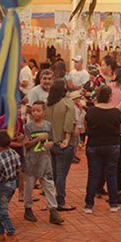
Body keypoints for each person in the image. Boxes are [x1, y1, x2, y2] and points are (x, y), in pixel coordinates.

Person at [84, 85, 121, 213]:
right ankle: (113, 204)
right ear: (110, 96)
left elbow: (86, 127)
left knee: (93, 175)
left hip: (94, 145)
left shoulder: (91, 111)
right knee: (111, 174)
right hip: (112, 145)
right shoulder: (116, 112)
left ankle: (89, 205)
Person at [23, 101, 64, 224]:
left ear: (44, 112)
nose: (35, 113)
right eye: (33, 110)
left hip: (45, 161)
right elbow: (26, 144)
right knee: (29, 187)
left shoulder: (48, 125)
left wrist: (50, 144)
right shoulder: (28, 127)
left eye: (38, 110)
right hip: (31, 162)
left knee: (50, 186)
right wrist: (37, 139)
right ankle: (28, 208)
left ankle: (53, 210)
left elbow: (52, 140)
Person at [45, 79, 77, 212]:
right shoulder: (67, 103)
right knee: (61, 174)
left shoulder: (48, 105)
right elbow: (69, 123)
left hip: (50, 143)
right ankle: (61, 201)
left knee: (52, 174)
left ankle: (51, 201)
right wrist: (67, 138)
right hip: (64, 143)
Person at [0, 130, 22, 242]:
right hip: (12, 183)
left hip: (3, 186)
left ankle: (11, 235)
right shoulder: (14, 153)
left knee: (2, 211)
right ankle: (0, 233)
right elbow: (19, 169)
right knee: (0, 209)